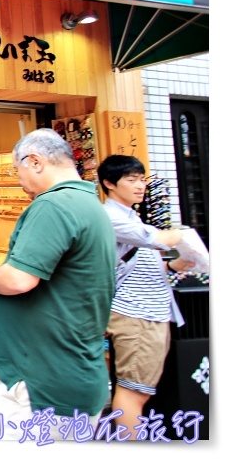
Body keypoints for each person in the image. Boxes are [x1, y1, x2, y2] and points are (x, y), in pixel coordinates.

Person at [0, 128, 115, 441]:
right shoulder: (91, 205)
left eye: (15, 169)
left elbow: (19, 279)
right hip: (76, 367)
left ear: (34, 161)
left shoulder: (53, 206)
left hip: (40, 379)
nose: (16, 177)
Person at [97, 154, 194, 440]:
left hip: (147, 311)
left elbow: (139, 261)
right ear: (109, 183)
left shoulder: (129, 215)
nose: (140, 186)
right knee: (133, 393)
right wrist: (182, 235)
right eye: (131, 179)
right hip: (137, 314)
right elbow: (157, 239)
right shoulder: (111, 216)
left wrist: (174, 264)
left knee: (137, 389)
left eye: (142, 179)